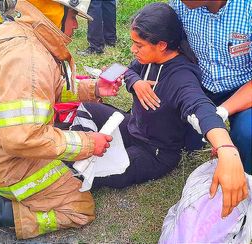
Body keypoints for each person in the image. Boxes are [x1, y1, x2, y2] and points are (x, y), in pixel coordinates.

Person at [0, 0, 121, 243]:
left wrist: (94, 87)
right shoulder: (29, 60)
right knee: (80, 206)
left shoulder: (19, 33)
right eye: (73, 16)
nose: (76, 25)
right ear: (56, 12)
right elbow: (23, 138)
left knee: (61, 153)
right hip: (11, 161)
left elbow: (47, 89)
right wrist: (88, 144)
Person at [72, 3, 248, 218]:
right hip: (133, 126)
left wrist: (226, 148)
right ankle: (78, 147)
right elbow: (128, 71)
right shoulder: (147, 58)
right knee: (87, 108)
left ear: (162, 44)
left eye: (138, 45)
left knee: (88, 171)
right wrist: (136, 82)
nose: (133, 49)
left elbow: (201, 108)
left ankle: (77, 160)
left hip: (154, 153)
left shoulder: (181, 78)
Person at [170, 0, 252, 174]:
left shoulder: (247, 9)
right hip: (201, 85)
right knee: (180, 135)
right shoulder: (179, 6)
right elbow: (164, 45)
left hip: (243, 88)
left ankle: (244, 179)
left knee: (248, 133)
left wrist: (221, 112)